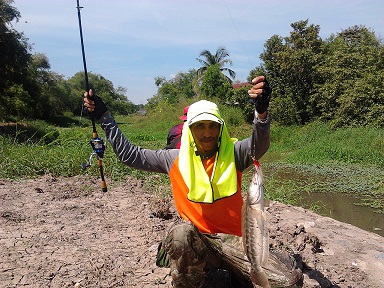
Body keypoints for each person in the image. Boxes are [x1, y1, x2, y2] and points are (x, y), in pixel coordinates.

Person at [83, 76, 302, 287]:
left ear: (220, 128)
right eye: (200, 126)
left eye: (212, 126)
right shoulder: (172, 159)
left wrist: (261, 113)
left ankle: (240, 274)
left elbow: (259, 145)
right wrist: (105, 117)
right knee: (180, 234)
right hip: (199, 244)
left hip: (237, 242)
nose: (207, 133)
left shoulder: (234, 153)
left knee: (288, 282)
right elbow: (130, 155)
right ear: (190, 130)